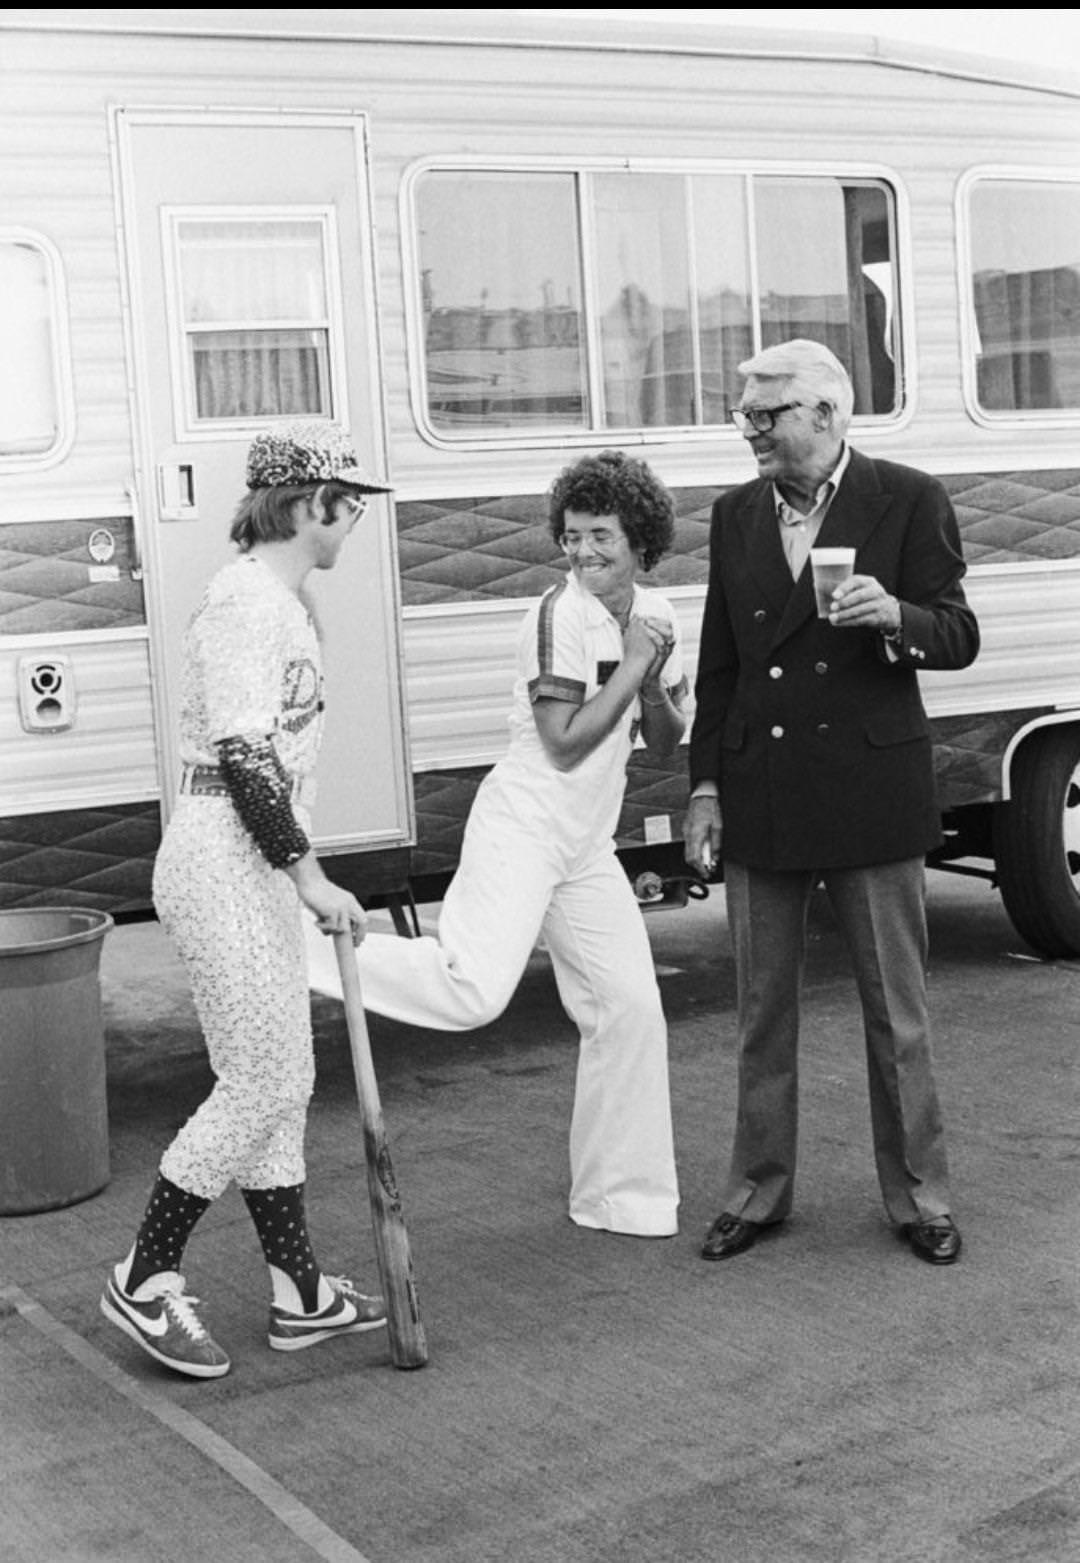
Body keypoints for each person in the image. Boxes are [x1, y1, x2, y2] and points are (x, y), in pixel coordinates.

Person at [306, 450, 687, 1238]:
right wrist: (639, 661)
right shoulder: (557, 614)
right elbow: (564, 741)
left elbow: (665, 737)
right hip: (524, 824)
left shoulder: (658, 614)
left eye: (601, 537)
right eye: (572, 535)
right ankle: (300, 945)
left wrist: (651, 677)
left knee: (630, 1008)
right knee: (473, 990)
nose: (582, 552)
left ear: (640, 541)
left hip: (584, 845)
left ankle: (622, 1196)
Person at [101, 421, 388, 1379]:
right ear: (311, 505)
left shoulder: (286, 602)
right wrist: (308, 873)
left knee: (283, 1077)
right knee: (258, 1079)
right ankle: (144, 1275)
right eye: (347, 506)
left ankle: (298, 1292)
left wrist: (296, 866)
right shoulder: (243, 601)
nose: (351, 524)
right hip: (221, 854)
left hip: (253, 858)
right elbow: (243, 750)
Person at [684, 339, 980, 1267]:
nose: (750, 432)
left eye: (765, 416)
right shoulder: (735, 515)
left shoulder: (909, 497)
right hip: (762, 790)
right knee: (760, 1012)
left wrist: (897, 616)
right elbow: (720, 662)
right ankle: (756, 1191)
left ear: (825, 414)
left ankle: (920, 1196)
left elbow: (959, 633)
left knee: (897, 1013)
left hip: (869, 789)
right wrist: (702, 785)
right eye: (746, 416)